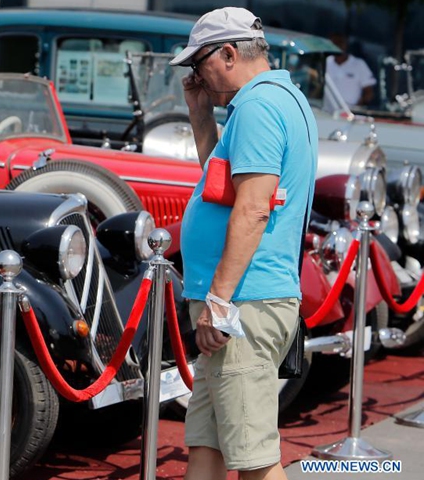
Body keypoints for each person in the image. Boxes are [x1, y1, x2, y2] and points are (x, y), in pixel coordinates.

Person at [169, 7, 316, 480]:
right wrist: (200, 116)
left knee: (253, 457)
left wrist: (218, 301)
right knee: (207, 444)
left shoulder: (258, 106)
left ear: (228, 54)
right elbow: (224, 186)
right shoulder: (278, 99)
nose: (197, 75)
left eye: (199, 63)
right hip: (245, 301)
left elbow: (252, 208)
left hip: (243, 304)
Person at [326, 34, 376, 108]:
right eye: (334, 43)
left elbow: (369, 93)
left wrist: (356, 108)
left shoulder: (359, 64)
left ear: (346, 44)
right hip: (325, 112)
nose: (337, 46)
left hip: (350, 114)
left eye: (340, 42)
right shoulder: (325, 62)